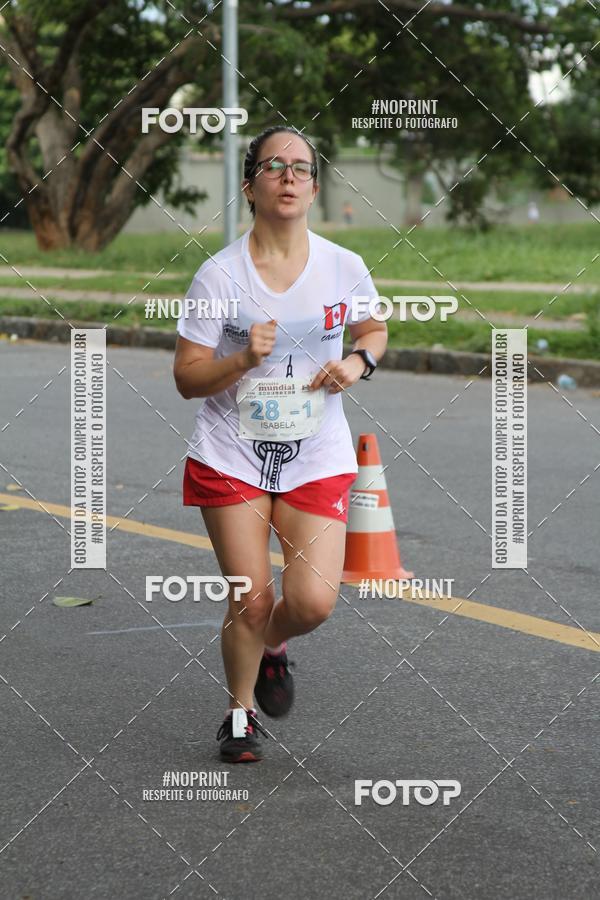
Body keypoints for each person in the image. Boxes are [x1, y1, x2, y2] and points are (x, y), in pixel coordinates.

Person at [173, 125, 387, 763]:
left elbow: (372, 329)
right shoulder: (219, 276)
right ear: (250, 186)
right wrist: (239, 360)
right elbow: (187, 377)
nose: (288, 176)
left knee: (313, 601)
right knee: (252, 595)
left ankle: (272, 646)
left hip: (316, 452)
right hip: (229, 452)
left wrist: (358, 363)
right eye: (273, 166)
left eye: (300, 167)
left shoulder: (342, 266)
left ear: (315, 188)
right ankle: (239, 714)